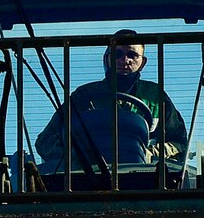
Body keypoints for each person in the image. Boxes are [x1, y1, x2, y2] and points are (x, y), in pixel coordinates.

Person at [34, 34, 189, 177]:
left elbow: (180, 143)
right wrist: (80, 157)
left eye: (132, 55)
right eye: (118, 54)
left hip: (146, 181)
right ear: (106, 59)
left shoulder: (156, 97)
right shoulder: (83, 96)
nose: (125, 60)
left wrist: (149, 154)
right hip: (87, 181)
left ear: (143, 62)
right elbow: (45, 142)